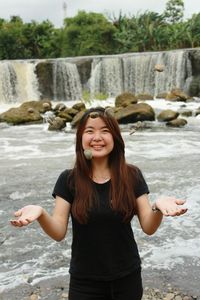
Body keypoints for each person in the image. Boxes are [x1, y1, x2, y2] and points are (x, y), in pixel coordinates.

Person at [10, 106, 188, 300]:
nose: (97, 137)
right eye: (89, 131)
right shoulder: (69, 179)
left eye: (105, 131)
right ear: (80, 139)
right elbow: (58, 231)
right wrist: (41, 213)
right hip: (84, 281)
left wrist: (158, 207)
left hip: (127, 278)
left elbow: (148, 226)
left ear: (116, 138)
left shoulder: (132, 175)